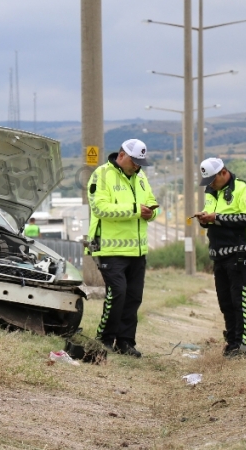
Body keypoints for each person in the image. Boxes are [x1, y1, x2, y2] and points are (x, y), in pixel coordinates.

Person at [86, 139, 157, 357]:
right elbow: (100, 208)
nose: (137, 165)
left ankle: (125, 342)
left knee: (133, 297)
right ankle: (104, 339)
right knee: (117, 293)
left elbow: (152, 202)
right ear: (122, 155)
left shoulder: (141, 176)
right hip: (110, 248)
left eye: (140, 162)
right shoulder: (102, 174)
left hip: (137, 250)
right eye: (134, 161)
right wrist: (136, 210)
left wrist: (152, 212)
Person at [194, 157, 246, 358]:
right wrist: (204, 219)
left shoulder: (244, 189)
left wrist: (217, 218)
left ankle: (242, 345)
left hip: (238, 254)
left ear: (223, 172)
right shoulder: (211, 191)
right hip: (218, 255)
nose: (211, 184)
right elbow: (211, 217)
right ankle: (231, 342)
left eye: (213, 179)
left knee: (240, 301)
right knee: (225, 302)